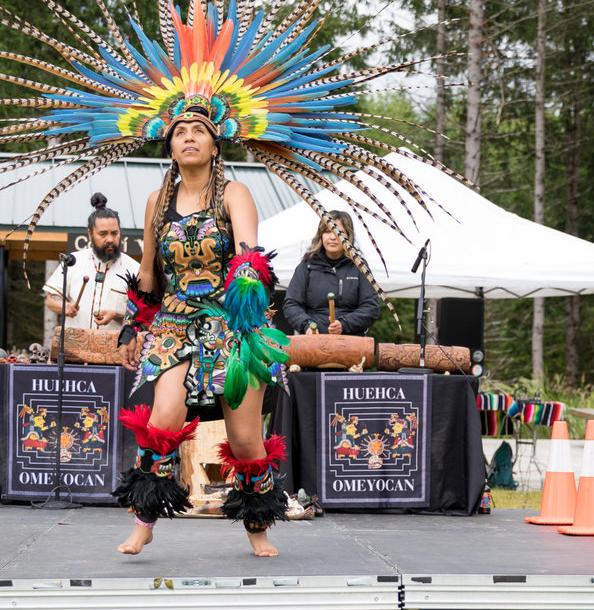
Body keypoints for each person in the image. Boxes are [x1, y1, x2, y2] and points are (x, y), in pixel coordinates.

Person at [114, 106, 290, 559]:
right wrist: (134, 323)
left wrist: (249, 275)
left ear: (216, 144)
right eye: (179, 133)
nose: (188, 138)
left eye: (199, 132)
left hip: (232, 319)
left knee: (247, 437)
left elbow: (250, 251)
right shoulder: (157, 201)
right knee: (161, 421)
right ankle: (143, 522)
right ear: (169, 145)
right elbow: (149, 273)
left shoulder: (235, 192)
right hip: (174, 320)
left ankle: (257, 528)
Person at [43, 192, 141, 331]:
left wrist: (116, 315)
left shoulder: (134, 269)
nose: (110, 239)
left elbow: (144, 315)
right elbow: (51, 298)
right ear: (90, 234)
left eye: (114, 233)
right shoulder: (73, 261)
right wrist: (66, 307)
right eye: (103, 234)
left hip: (116, 350)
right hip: (75, 348)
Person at [282, 210, 380, 336]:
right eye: (328, 231)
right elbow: (292, 304)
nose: (333, 237)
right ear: (321, 235)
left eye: (339, 232)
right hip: (313, 343)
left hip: (350, 344)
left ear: (348, 236)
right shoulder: (306, 266)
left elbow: (371, 307)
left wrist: (344, 324)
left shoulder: (360, 267)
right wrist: (307, 325)